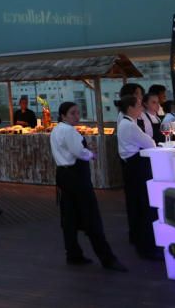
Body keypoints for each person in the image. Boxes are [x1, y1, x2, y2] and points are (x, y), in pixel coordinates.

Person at [50, 101, 127, 271]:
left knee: (68, 217)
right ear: (63, 115)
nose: (76, 116)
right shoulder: (69, 131)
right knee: (91, 216)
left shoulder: (56, 130)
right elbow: (79, 152)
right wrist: (91, 154)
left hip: (63, 175)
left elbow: (70, 150)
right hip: (76, 177)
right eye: (72, 113)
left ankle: (73, 253)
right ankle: (107, 259)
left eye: (78, 112)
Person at [116, 94, 161, 260]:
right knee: (145, 206)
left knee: (138, 205)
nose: (142, 109)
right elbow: (150, 143)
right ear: (130, 108)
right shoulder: (130, 125)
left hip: (131, 166)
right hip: (137, 167)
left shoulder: (125, 123)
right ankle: (147, 247)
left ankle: (142, 243)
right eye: (139, 106)